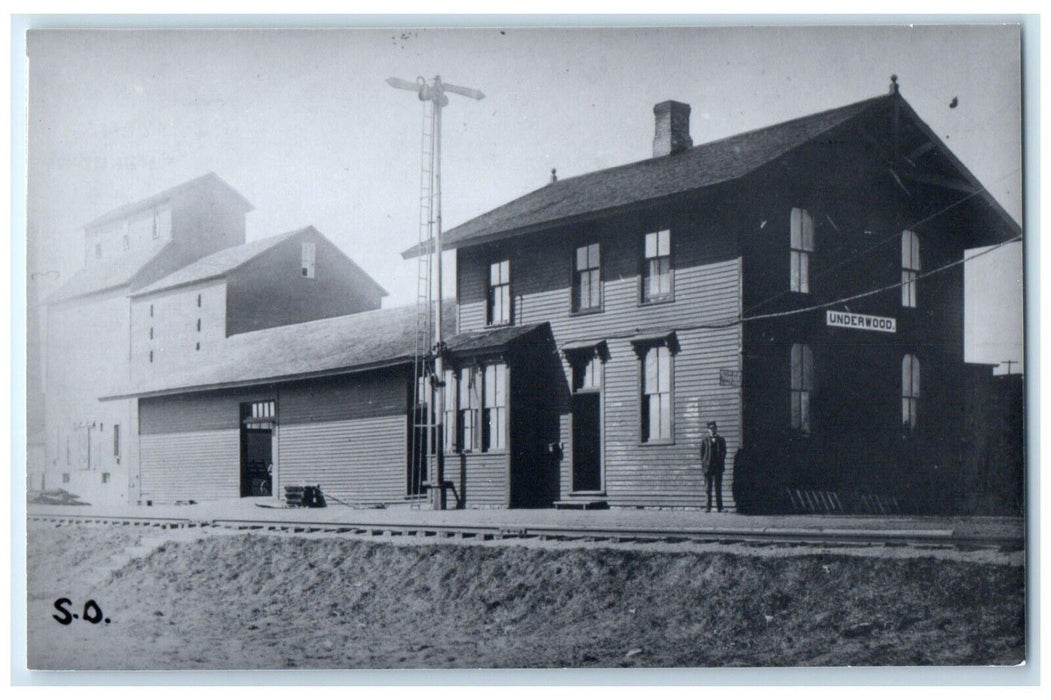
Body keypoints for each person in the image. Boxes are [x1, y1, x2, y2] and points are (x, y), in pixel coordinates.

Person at [700, 420, 727, 512]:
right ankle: (708, 507)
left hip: (718, 467)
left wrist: (720, 462)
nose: (712, 430)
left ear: (716, 429)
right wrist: (704, 464)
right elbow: (702, 454)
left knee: (718, 488)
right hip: (708, 467)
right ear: (708, 430)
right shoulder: (704, 440)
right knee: (708, 488)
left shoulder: (721, 440)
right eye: (710, 428)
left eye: (714, 428)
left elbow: (724, 453)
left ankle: (720, 507)